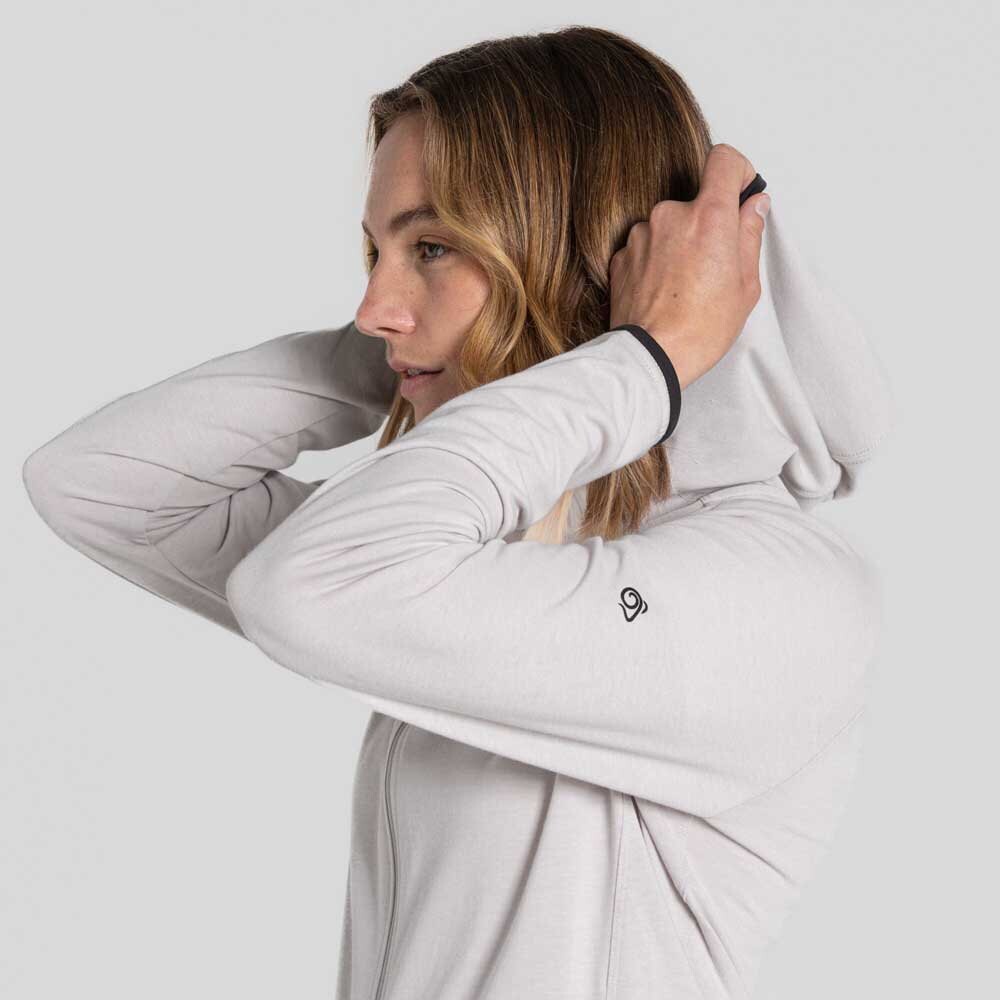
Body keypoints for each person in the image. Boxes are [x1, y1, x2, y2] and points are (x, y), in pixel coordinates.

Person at [22, 26, 894, 1000]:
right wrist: (419, 355)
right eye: (377, 250)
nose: (373, 304)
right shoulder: (496, 543)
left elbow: (308, 589)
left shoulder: (779, 590)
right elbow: (98, 484)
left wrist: (637, 355)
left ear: (577, 255)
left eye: (431, 246)